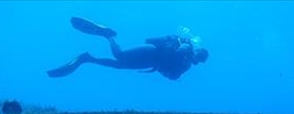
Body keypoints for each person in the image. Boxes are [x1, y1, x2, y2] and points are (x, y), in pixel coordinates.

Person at [47, 17, 208, 80]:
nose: (197, 59)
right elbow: (178, 55)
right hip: (151, 51)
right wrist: (181, 62)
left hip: (152, 62)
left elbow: (171, 76)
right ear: (198, 52)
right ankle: (108, 35)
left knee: (119, 65)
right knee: (120, 55)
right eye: (199, 56)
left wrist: (173, 71)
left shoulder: (186, 64)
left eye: (199, 60)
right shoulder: (187, 48)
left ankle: (87, 59)